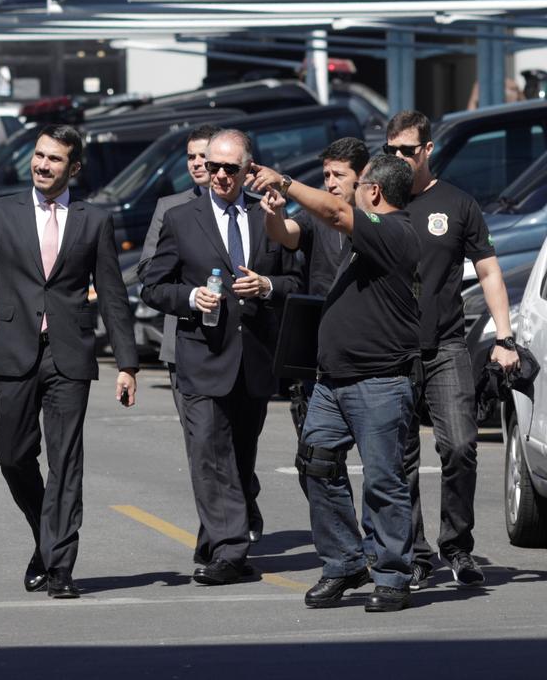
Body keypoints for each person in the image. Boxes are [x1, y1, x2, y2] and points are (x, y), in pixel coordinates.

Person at [0, 124, 138, 599]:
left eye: (54, 159)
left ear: (73, 168)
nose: (43, 165)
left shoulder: (94, 220)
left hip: (69, 354)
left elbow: (112, 295)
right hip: (13, 348)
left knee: (67, 461)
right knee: (11, 454)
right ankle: (42, 534)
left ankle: (61, 566)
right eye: (39, 156)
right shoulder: (2, 211)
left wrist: (128, 363)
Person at [250, 155, 421, 613]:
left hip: (379, 382)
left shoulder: (393, 231)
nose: (350, 189)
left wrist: (285, 182)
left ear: (375, 193)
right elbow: (308, 227)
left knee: (383, 481)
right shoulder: (363, 237)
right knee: (317, 462)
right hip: (333, 383)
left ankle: (392, 576)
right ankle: (344, 563)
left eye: (358, 182)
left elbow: (337, 212)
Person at [139, 129, 301, 586]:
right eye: (214, 167)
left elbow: (296, 281)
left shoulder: (265, 216)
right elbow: (153, 285)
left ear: (249, 169)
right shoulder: (181, 217)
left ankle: (218, 538)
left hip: (253, 359)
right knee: (209, 454)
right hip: (201, 356)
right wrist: (191, 297)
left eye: (232, 168)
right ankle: (231, 549)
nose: (222, 176)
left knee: (239, 459)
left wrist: (267, 287)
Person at [384, 110, 518, 589]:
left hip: (445, 345)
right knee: (397, 458)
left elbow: (488, 272)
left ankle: (457, 547)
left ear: (426, 150)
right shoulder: (377, 200)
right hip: (390, 351)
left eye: (406, 150)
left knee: (461, 446)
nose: (398, 159)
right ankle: (417, 554)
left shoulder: (457, 203)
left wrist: (504, 338)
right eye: (391, 150)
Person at [261, 137, 368, 432]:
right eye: (326, 176)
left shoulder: (378, 219)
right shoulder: (314, 217)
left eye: (339, 175)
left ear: (362, 177)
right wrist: (274, 214)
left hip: (369, 349)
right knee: (318, 454)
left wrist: (285, 182)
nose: (331, 183)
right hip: (322, 350)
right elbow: (285, 234)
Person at [135, 123, 218, 422]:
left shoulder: (251, 207)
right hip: (183, 338)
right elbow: (147, 268)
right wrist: (190, 288)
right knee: (197, 438)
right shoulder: (170, 207)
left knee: (236, 447)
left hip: (235, 343)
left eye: (202, 156)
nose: (196, 163)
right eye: (190, 156)